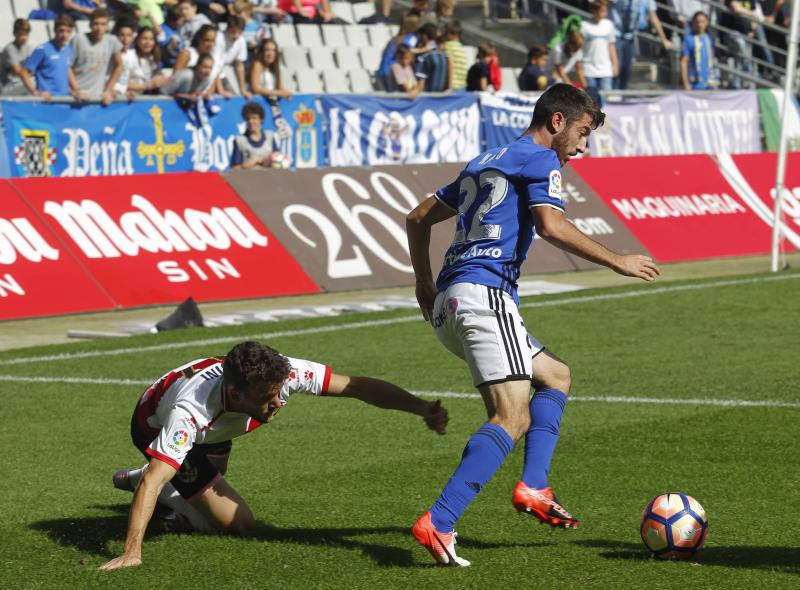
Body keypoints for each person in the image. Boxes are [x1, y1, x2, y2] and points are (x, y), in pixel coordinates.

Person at [405, 83, 660, 566]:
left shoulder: (484, 160)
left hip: (452, 300)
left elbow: (417, 218)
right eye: (582, 133)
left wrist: (423, 283)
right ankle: (439, 522)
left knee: (556, 375)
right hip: (485, 296)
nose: (583, 146)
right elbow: (550, 224)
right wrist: (616, 261)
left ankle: (535, 485)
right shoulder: (542, 160)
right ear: (558, 122)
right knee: (512, 417)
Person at [99, 340, 449, 570]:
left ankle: (167, 484)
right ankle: (155, 484)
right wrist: (132, 553)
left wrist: (420, 408)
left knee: (209, 480)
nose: (280, 402)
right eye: (269, 396)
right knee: (239, 524)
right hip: (154, 427)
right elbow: (154, 478)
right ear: (237, 394)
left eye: (280, 392)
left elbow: (355, 386)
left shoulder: (282, 373)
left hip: (217, 430)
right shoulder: (189, 414)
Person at [610, 0, 671, 90]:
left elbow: (653, 17)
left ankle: (622, 94)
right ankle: (613, 93)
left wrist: (664, 39)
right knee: (618, 66)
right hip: (616, 34)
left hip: (631, 36)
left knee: (627, 69)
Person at [70, 8, 124, 104]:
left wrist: (109, 89)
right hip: (77, 95)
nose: (99, 28)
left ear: (107, 26)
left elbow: (119, 65)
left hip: (98, 97)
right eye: (96, 24)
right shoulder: (78, 39)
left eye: (103, 24)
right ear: (90, 24)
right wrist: (76, 90)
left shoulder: (112, 41)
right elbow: (67, 67)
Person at [20, 14, 76, 100]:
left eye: (68, 31)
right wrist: (35, 92)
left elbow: (67, 70)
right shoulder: (43, 49)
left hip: (65, 100)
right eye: (61, 31)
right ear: (55, 30)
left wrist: (76, 90)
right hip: (47, 102)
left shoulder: (69, 49)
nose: (65, 35)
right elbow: (24, 72)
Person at [719, 0, 758, 88]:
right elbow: (736, 8)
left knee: (742, 54)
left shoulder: (751, 1)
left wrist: (753, 30)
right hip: (730, 33)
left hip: (745, 34)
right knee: (741, 45)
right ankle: (747, 76)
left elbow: (755, 18)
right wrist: (750, 13)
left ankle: (737, 83)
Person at [580, 0, 618, 91]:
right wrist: (581, 68)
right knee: (591, 100)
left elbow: (611, 46)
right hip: (589, 70)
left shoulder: (609, 25)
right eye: (602, 11)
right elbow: (580, 49)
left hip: (606, 70)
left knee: (607, 101)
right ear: (594, 11)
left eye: (605, 11)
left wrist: (615, 64)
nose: (604, 13)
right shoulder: (584, 26)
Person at [230, 101, 280, 168]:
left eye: (254, 118)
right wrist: (243, 167)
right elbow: (235, 167)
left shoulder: (270, 137)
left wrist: (259, 161)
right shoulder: (239, 140)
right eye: (248, 118)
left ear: (261, 119)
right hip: (248, 177)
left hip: (269, 177)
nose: (251, 121)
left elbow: (277, 159)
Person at [212, 15, 251, 98]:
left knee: (234, 96)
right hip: (209, 72)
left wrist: (243, 89)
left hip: (220, 74)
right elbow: (215, 66)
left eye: (239, 33)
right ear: (227, 29)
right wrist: (221, 90)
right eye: (233, 32)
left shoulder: (241, 40)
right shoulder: (219, 38)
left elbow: (239, 65)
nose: (236, 36)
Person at [680, 11, 718, 90]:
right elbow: (684, 61)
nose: (700, 25)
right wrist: (686, 83)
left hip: (710, 84)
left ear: (707, 23)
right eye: (697, 22)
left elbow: (712, 61)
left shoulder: (709, 38)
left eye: (702, 22)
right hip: (695, 84)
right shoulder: (688, 39)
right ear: (693, 23)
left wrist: (715, 81)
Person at [0, 19, 33, 97]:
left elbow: (32, 69)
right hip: (6, 87)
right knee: (32, 82)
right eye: (21, 34)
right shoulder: (9, 49)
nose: (24, 38)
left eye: (26, 34)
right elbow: (19, 72)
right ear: (14, 34)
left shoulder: (27, 48)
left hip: (19, 83)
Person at [414, 23, 449, 93]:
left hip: (427, 99)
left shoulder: (424, 57)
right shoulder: (444, 56)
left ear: (424, 36)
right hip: (440, 98)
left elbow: (421, 85)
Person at [442, 20, 467, 91]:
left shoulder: (448, 46)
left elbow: (451, 65)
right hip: (462, 85)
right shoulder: (461, 47)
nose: (445, 35)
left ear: (455, 34)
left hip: (453, 86)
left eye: (446, 33)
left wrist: (449, 87)